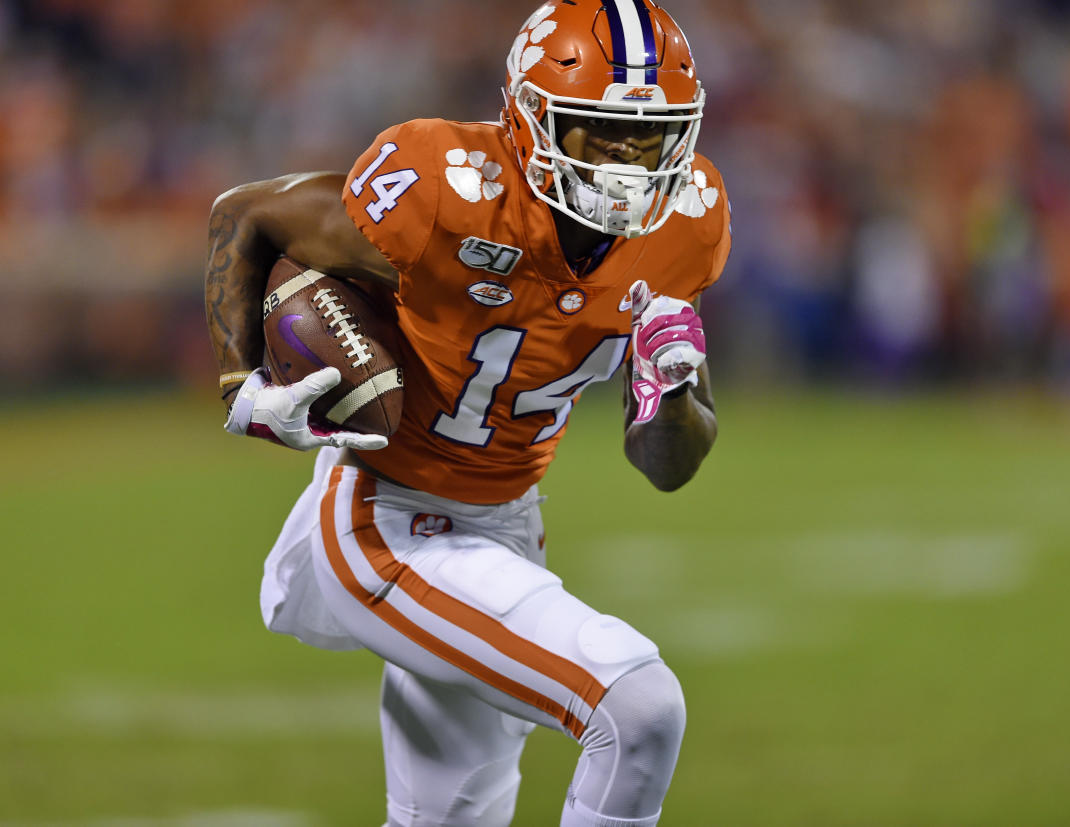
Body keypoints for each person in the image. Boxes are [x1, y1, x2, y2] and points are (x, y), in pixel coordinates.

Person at [204, 1, 729, 824]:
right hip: (387, 515)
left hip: (507, 524)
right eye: (602, 137)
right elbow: (249, 214)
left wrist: (674, 385)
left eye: (651, 141)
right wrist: (243, 386)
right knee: (638, 708)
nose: (631, 170)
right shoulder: (446, 187)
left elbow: (667, 465)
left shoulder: (686, 223)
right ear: (530, 119)